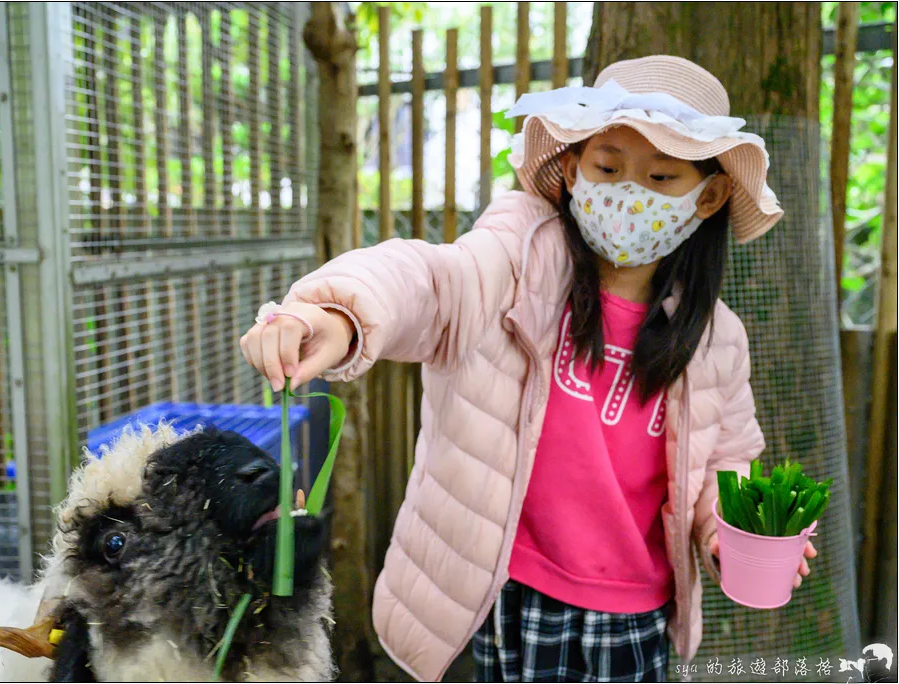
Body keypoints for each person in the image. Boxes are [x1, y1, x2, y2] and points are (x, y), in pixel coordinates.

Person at [240, 55, 817, 683]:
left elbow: (722, 462)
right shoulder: (516, 257)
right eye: (609, 167)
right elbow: (431, 280)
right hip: (516, 595)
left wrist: (728, 534)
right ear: (571, 169)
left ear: (707, 197)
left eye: (661, 175)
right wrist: (340, 315)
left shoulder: (717, 339)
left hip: (638, 613)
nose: (631, 192)